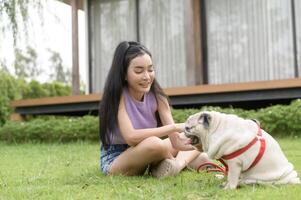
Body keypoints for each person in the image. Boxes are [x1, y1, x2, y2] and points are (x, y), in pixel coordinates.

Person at [99, 41, 211, 177]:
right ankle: (175, 162)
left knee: (195, 138)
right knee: (155, 144)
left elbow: (176, 141)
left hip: (151, 152)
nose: (147, 76)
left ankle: (175, 165)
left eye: (150, 69)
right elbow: (131, 137)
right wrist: (175, 127)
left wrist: (197, 137)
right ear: (124, 74)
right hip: (118, 159)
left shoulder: (158, 97)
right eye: (139, 71)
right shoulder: (118, 96)